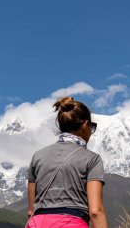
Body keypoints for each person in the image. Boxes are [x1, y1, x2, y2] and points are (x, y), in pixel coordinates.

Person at [26, 97, 108, 228]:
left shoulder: (38, 156)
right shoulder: (92, 159)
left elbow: (31, 211)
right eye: (92, 127)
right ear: (85, 125)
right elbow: (95, 212)